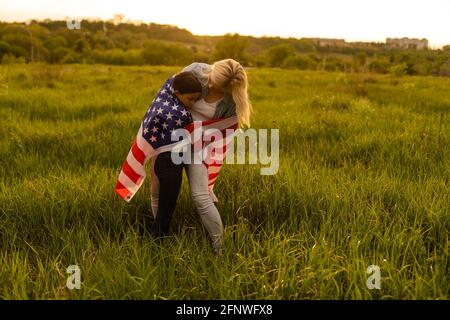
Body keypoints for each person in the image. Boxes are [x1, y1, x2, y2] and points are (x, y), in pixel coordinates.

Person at [150, 59, 252, 254]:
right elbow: (167, 99)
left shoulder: (231, 101)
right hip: (171, 138)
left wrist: (199, 136)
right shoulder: (195, 71)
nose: (211, 85)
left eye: (219, 86)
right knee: (158, 188)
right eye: (212, 79)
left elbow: (225, 129)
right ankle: (159, 241)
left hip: (200, 145)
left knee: (200, 195)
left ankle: (220, 248)